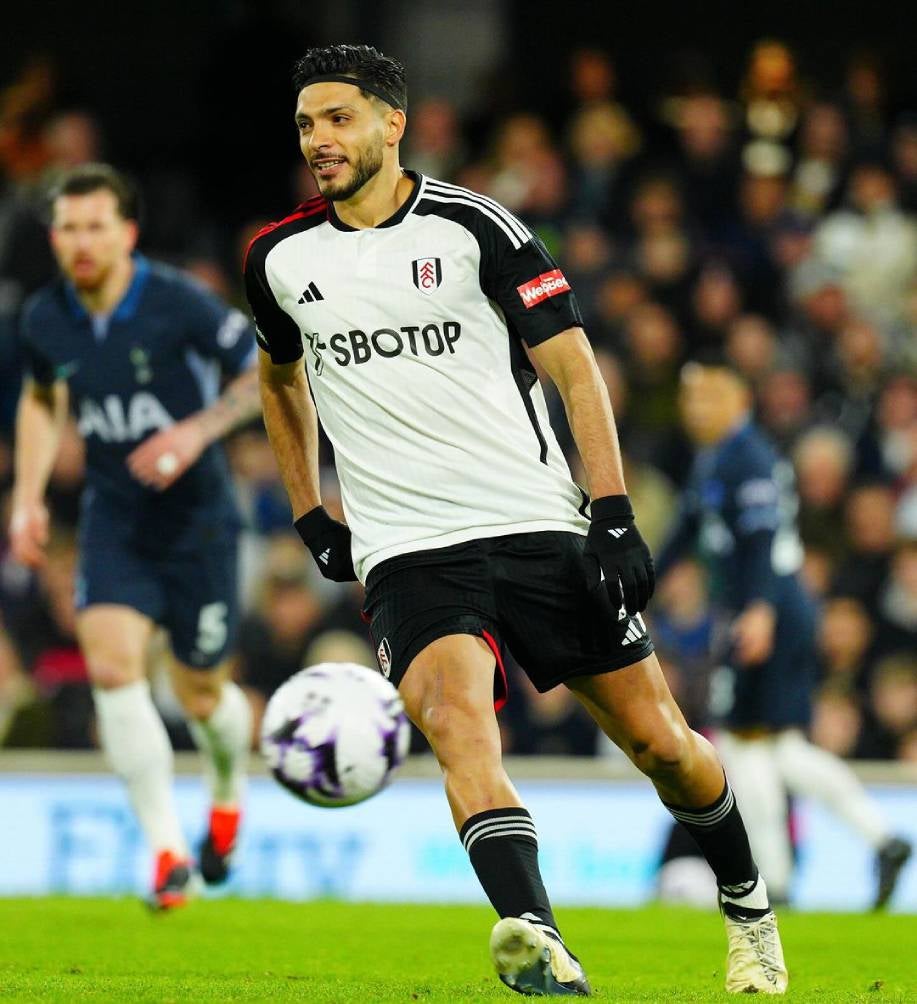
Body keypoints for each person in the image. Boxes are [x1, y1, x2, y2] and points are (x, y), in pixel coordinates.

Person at [246, 44, 787, 996]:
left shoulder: (475, 227)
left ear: (391, 122)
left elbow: (573, 366)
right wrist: (308, 509)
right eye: (304, 124)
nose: (319, 140)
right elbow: (278, 377)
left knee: (663, 744)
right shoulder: (280, 258)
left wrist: (612, 511)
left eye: (337, 118)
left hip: (533, 522)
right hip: (405, 549)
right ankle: (537, 938)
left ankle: (746, 907)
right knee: (456, 723)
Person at [8, 164, 260, 909]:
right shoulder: (45, 317)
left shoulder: (179, 302)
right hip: (115, 518)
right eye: (69, 228)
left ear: (127, 234)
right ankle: (166, 854)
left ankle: (225, 792)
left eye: (95, 226)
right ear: (54, 237)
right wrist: (25, 498)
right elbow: (41, 400)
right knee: (114, 667)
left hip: (199, 521)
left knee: (201, 693)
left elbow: (264, 375)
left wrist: (195, 430)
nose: (81, 242)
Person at [656, 353, 912, 909]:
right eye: (690, 398)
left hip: (769, 610)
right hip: (771, 608)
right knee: (778, 747)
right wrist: (637, 583)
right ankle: (882, 838)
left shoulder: (748, 457)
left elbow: (764, 542)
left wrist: (759, 612)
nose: (694, 408)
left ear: (738, 402)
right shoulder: (717, 459)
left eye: (707, 397)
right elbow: (685, 531)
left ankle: (777, 878)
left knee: (746, 743)